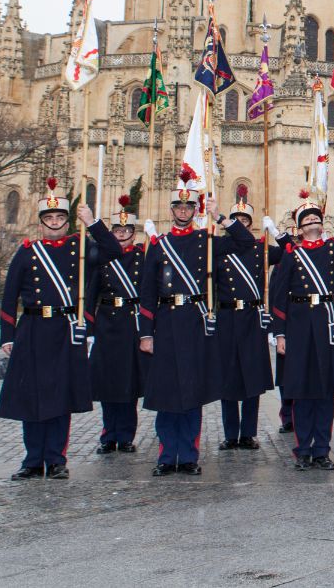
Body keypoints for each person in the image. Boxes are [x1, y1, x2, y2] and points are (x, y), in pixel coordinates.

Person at [0, 179, 121, 480]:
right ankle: (32, 459)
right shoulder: (27, 252)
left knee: (59, 398)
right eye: (49, 219)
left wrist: (92, 223)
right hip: (33, 330)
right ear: (41, 223)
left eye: (60, 218)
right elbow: (9, 295)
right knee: (32, 397)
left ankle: (55, 459)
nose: (54, 224)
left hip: (65, 330)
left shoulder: (80, 249)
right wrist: (7, 336)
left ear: (67, 221)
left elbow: (113, 250)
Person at [139, 170, 255, 476]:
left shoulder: (207, 241)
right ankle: (167, 456)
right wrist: (145, 334)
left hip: (194, 322)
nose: (183, 211)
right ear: (172, 210)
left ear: (195, 211)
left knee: (191, 392)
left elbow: (245, 244)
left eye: (188, 208)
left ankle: (188, 455)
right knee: (166, 394)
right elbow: (147, 293)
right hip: (165, 322)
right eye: (178, 207)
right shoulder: (160, 246)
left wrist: (222, 218)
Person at [268, 192, 334, 470]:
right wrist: (279, 334)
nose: (313, 221)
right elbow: (279, 297)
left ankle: (322, 450)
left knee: (326, 392)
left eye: (316, 217)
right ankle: (303, 449)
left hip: (328, 325)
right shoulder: (292, 255)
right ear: (299, 228)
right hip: (299, 326)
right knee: (302, 392)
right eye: (307, 219)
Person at [213, 186, 278, 452]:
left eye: (244, 221)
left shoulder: (261, 249)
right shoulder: (217, 247)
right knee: (228, 378)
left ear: (250, 225)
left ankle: (248, 433)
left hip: (252, 317)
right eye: (236, 220)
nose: (240, 225)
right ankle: (230, 434)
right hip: (227, 316)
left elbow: (290, 250)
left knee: (252, 378)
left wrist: (276, 231)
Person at [86, 197, 147, 455]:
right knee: (107, 382)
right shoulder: (102, 258)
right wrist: (88, 330)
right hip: (107, 322)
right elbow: (90, 294)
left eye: (127, 231)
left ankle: (126, 435)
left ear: (134, 234)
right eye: (118, 231)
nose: (122, 235)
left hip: (131, 322)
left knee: (129, 384)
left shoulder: (142, 257)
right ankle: (108, 434)